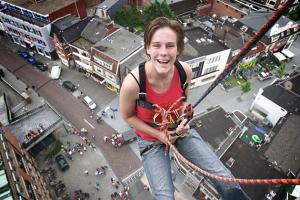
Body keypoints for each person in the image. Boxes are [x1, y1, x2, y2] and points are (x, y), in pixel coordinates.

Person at [120, 17, 250, 200]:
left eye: (170, 45)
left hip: (179, 132)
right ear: (147, 48)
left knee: (225, 179)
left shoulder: (184, 72)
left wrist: (183, 120)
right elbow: (128, 117)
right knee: (165, 197)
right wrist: (158, 135)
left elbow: (181, 104)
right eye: (156, 45)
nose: (163, 52)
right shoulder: (133, 84)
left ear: (179, 49)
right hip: (151, 141)